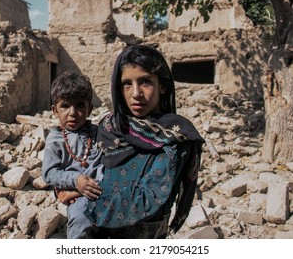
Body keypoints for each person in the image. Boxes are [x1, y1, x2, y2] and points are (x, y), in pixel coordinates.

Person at [84, 44, 205, 238]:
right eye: (127, 84)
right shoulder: (109, 127)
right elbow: (83, 165)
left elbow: (146, 200)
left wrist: (85, 200)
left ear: (162, 86)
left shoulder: (175, 136)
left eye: (145, 82)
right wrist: (70, 185)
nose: (135, 93)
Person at [42, 72, 103, 239]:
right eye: (65, 106)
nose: (73, 113)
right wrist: (76, 181)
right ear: (55, 110)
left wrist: (77, 191)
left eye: (80, 106)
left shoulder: (98, 133)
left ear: (89, 109)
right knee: (80, 218)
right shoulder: (55, 140)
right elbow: (49, 173)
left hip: (104, 189)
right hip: (81, 199)